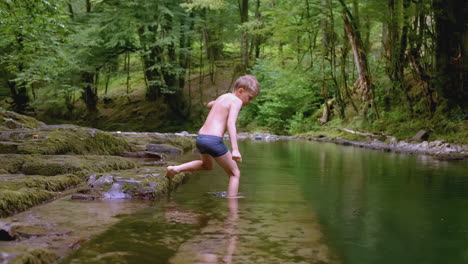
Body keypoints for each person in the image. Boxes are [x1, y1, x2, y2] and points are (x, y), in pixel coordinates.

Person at [166, 75, 260, 198]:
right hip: (213, 140)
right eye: (249, 97)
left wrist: (218, 103)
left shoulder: (223, 97)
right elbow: (231, 124)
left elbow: (209, 104)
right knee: (235, 173)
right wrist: (235, 149)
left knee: (207, 166)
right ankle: (232, 207)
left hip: (201, 138)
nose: (249, 101)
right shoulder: (236, 101)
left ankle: (175, 169)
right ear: (240, 91)